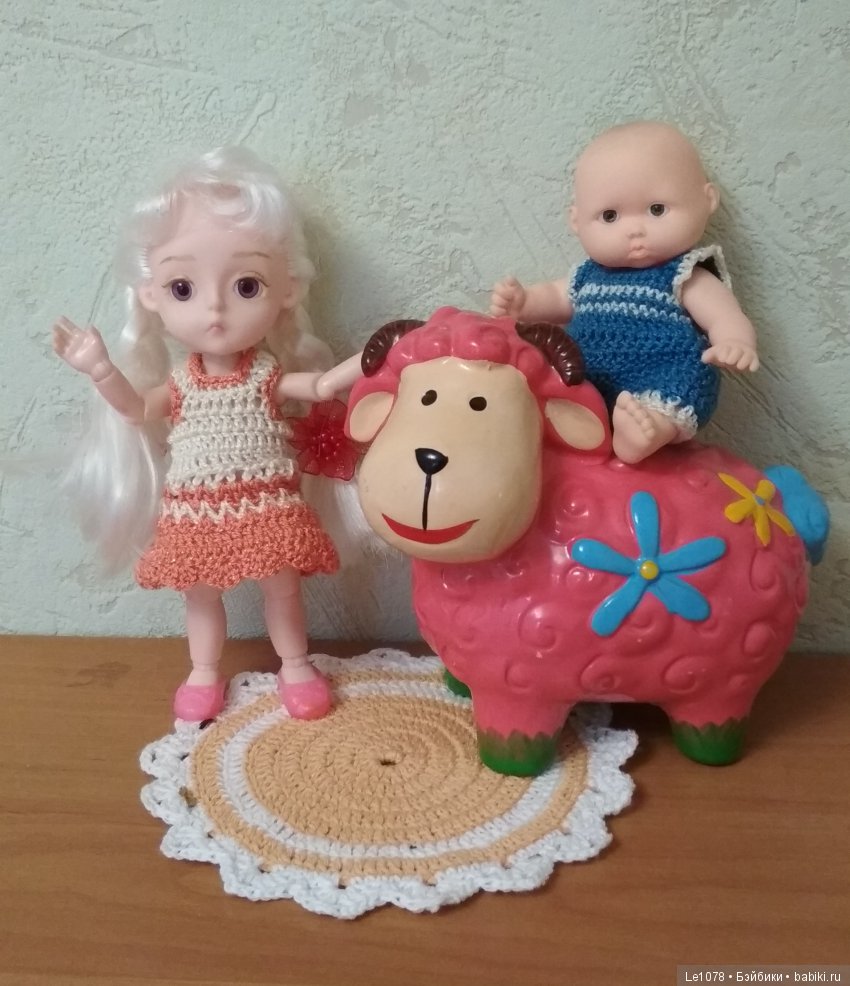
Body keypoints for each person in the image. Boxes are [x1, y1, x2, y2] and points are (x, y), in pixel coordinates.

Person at [53, 147, 359, 722]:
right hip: (196, 510)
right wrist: (99, 369)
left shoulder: (266, 375)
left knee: (282, 585)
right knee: (200, 592)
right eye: (183, 288)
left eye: (246, 285)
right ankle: (202, 670)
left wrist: (367, 363)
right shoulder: (180, 384)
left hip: (268, 505)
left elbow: (319, 387)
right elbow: (135, 410)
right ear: (151, 294)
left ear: (287, 288)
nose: (215, 309)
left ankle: (295, 664)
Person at [490, 121, 759, 463]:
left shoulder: (684, 274)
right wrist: (525, 302)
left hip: (662, 375)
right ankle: (580, 431)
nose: (634, 229)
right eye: (610, 216)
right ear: (576, 221)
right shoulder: (587, 275)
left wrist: (735, 342)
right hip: (587, 379)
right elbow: (557, 298)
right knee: (549, 389)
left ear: (707, 200)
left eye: (656, 209)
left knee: (680, 391)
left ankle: (650, 431)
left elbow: (723, 315)